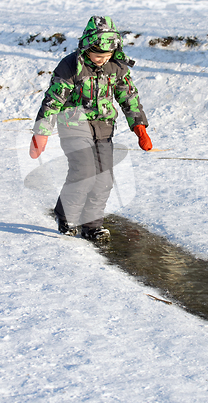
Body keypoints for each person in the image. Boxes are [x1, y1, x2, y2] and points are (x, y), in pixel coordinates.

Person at [29, 15, 152, 241]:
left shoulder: (116, 67)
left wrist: (139, 126)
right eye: (97, 55)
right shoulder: (70, 66)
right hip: (74, 126)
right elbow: (52, 100)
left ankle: (92, 225)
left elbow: (129, 97)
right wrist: (41, 133)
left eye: (106, 56)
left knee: (104, 179)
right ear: (86, 48)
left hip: (104, 128)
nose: (101, 60)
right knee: (84, 172)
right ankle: (66, 216)